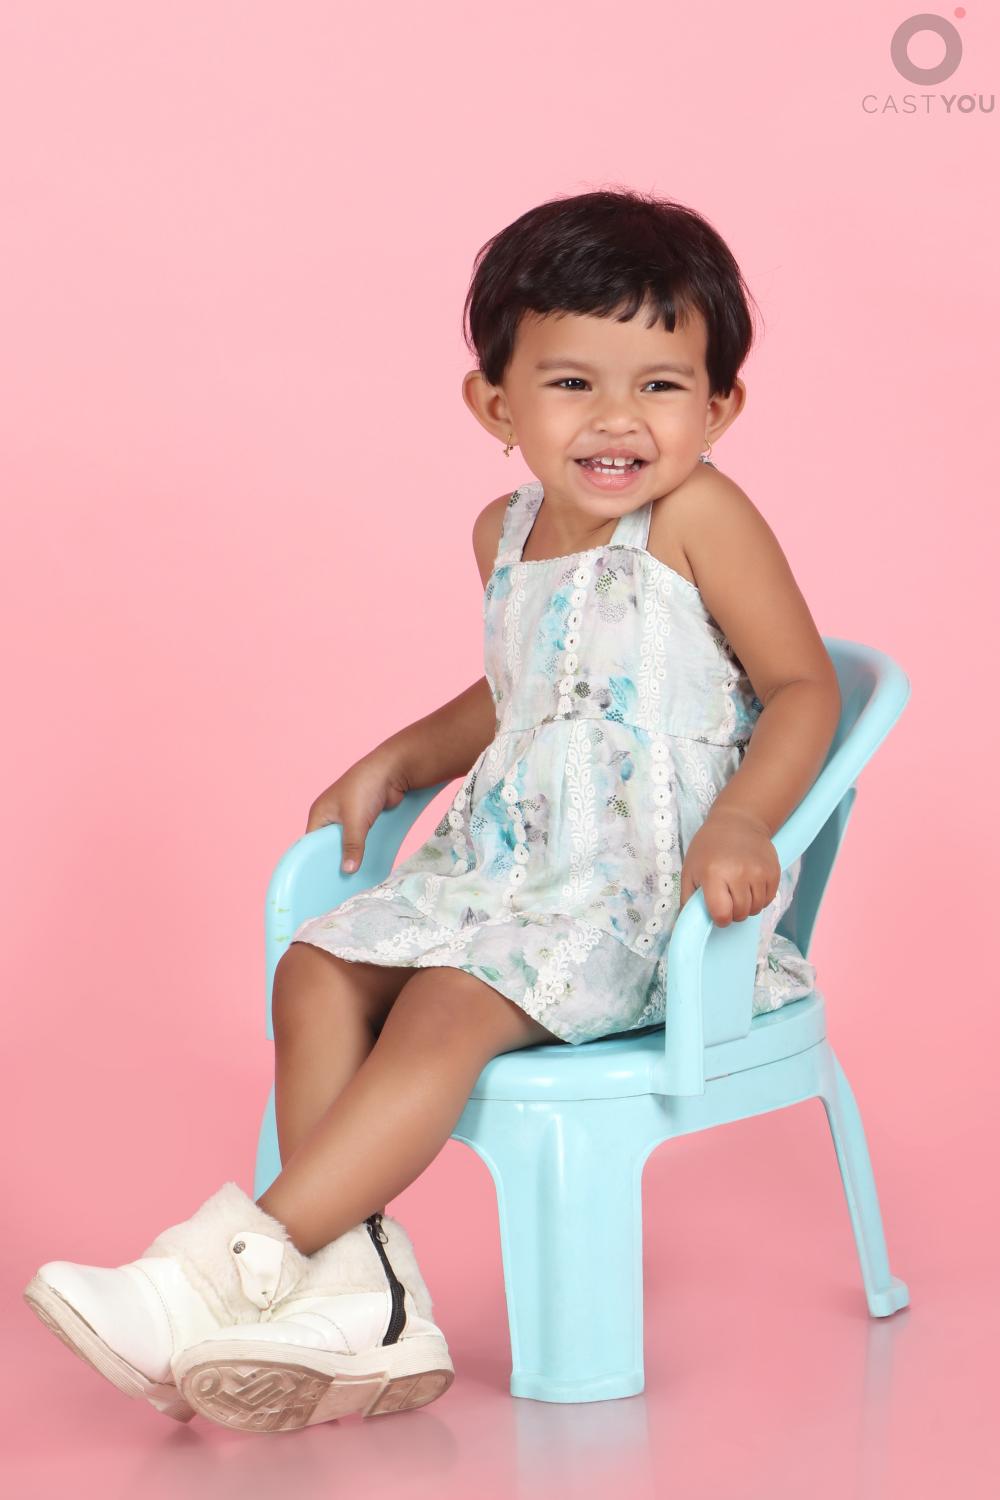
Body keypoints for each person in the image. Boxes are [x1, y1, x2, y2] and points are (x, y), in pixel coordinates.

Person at [24, 187, 841, 1434]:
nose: (617, 418)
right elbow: (526, 692)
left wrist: (744, 823)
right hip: (510, 880)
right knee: (317, 966)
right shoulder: (502, 534)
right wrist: (404, 756)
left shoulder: (699, 518)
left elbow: (801, 687)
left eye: (661, 387)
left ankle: (229, 1270)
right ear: (496, 406)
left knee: (445, 1006)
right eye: (571, 383)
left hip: (644, 903)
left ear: (718, 407)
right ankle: (363, 1295)